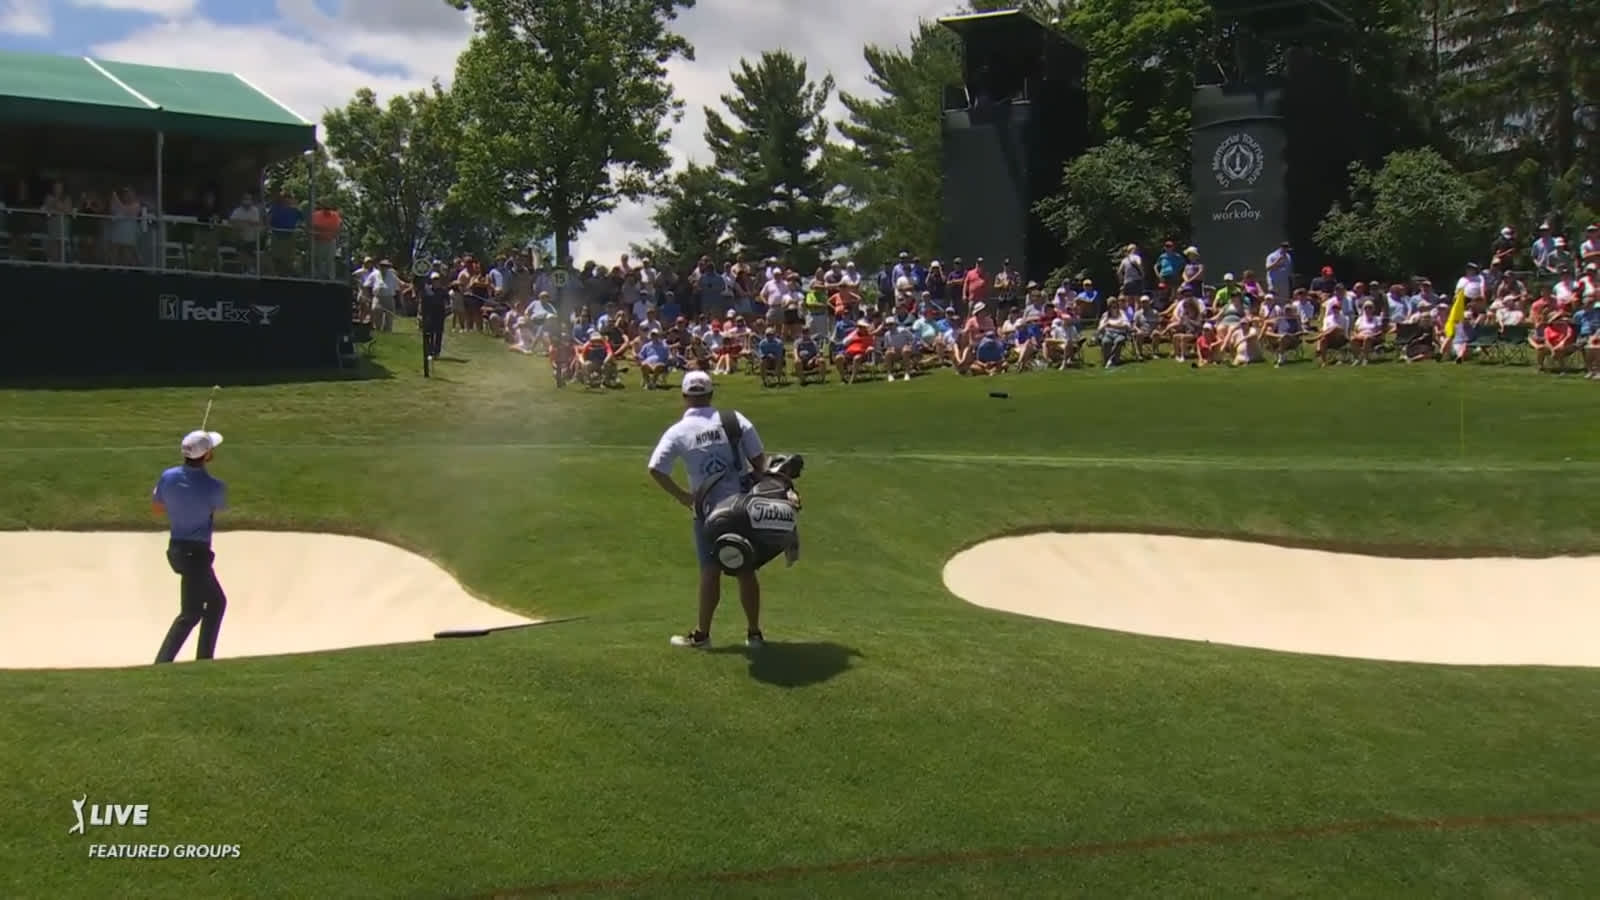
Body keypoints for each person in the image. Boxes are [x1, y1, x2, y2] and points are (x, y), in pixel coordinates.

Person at [647, 371, 768, 650]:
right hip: (742, 505)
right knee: (745, 569)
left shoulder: (678, 431)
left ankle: (703, 635)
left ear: (685, 396)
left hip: (707, 511)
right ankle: (754, 634)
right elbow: (760, 459)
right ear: (711, 394)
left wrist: (683, 497)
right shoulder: (733, 419)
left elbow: (655, 468)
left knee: (710, 571)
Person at [151, 430, 229, 664]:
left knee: (212, 604)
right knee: (194, 612)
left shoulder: (168, 477)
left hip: (176, 550)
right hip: (197, 554)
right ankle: (165, 663)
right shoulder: (215, 486)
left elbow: (157, 508)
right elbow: (216, 509)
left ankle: (202, 660)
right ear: (207, 455)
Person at [420, 272, 447, 359]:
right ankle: (430, 351)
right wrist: (421, 313)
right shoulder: (427, 290)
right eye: (434, 280)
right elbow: (423, 302)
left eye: (437, 280)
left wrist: (447, 309)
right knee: (430, 333)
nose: (436, 282)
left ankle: (437, 352)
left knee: (438, 333)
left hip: (440, 314)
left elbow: (447, 302)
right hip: (429, 314)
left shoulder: (443, 291)